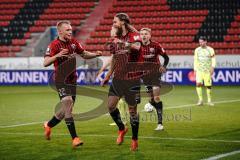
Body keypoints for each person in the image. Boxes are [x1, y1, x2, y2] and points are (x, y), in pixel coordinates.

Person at [43, 20, 102, 148]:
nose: (70, 32)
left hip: (72, 80)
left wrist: (95, 54)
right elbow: (46, 62)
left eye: (71, 30)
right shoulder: (53, 45)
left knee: (65, 111)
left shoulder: (74, 43)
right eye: (68, 30)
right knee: (68, 103)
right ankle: (75, 138)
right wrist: (58, 55)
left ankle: (48, 125)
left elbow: (84, 54)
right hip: (61, 80)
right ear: (60, 31)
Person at [101, 13, 141, 151]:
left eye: (115, 21)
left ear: (123, 22)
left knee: (132, 111)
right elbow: (114, 59)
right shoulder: (115, 39)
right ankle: (122, 128)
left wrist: (123, 43)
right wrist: (108, 75)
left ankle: (135, 139)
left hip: (132, 78)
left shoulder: (134, 35)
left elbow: (137, 48)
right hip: (118, 78)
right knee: (110, 106)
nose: (113, 24)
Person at [139, 28, 169, 131]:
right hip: (144, 75)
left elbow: (166, 57)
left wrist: (164, 66)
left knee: (156, 98)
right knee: (151, 99)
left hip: (155, 74)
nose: (144, 36)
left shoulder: (156, 45)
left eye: (146, 34)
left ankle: (160, 124)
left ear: (150, 35)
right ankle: (151, 104)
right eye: (142, 34)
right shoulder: (137, 46)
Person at [194, 36, 216, 106]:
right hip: (199, 70)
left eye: (202, 42)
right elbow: (195, 60)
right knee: (198, 84)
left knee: (208, 85)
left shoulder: (211, 49)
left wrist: (212, 67)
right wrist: (195, 69)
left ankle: (209, 101)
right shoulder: (197, 50)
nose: (200, 43)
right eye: (199, 42)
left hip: (207, 71)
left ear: (205, 41)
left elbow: (213, 59)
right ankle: (200, 100)